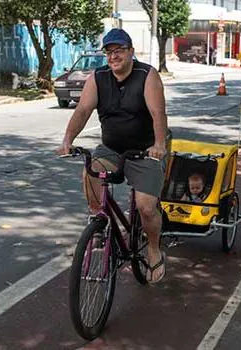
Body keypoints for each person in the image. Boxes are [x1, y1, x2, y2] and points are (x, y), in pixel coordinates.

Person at [57, 28, 168, 284]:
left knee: (146, 207)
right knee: (90, 170)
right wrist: (67, 141)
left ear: (131, 51)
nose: (113, 56)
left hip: (145, 150)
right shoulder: (98, 78)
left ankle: (152, 248)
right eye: (109, 51)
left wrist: (159, 144)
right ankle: (99, 218)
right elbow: (83, 110)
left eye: (119, 50)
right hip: (112, 149)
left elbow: (158, 114)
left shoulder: (147, 75)